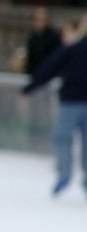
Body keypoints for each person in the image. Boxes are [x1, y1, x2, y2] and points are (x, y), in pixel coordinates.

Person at [23, 17, 87, 196]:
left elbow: (49, 68)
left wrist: (29, 88)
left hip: (70, 103)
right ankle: (71, 176)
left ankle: (64, 174)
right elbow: (50, 68)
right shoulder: (72, 49)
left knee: (61, 139)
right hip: (71, 103)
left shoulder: (72, 49)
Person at [22, 6, 61, 78]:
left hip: (49, 75)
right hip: (34, 74)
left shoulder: (54, 37)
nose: (39, 22)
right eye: (37, 19)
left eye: (42, 19)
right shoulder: (33, 37)